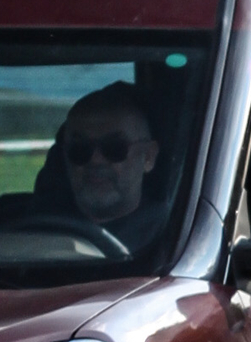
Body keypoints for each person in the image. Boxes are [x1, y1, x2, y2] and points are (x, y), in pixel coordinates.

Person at [47, 86, 165, 247]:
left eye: (115, 148)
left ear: (149, 157)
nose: (96, 160)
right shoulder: (32, 233)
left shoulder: (175, 240)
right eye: (80, 149)